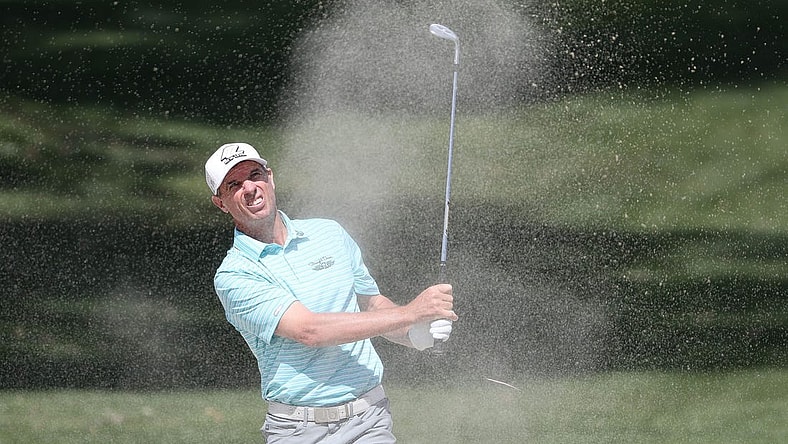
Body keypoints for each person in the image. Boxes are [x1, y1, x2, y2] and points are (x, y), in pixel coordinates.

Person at [205, 142, 458, 443]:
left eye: (255, 175)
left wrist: (415, 332)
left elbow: (372, 305)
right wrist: (412, 312)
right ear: (220, 202)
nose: (250, 188)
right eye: (234, 184)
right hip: (298, 430)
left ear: (270, 178)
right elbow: (309, 331)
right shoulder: (235, 274)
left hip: (370, 419)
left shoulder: (329, 233)